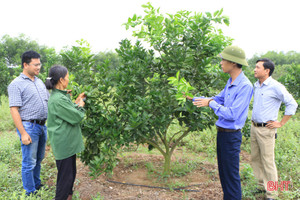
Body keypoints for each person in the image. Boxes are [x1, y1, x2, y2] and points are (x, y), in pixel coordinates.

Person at [190, 46, 253, 200]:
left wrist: (210, 103)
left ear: (233, 63)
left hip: (231, 136)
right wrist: (192, 97)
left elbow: (232, 114)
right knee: (224, 174)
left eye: (223, 59)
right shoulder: (231, 81)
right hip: (223, 135)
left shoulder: (245, 86)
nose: (221, 62)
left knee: (231, 176)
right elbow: (218, 99)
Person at [251, 58, 298, 200]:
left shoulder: (276, 86)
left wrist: (281, 123)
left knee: (268, 161)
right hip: (254, 127)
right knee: (255, 158)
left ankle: (272, 193)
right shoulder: (256, 85)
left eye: (258, 67)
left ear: (267, 71)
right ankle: (260, 186)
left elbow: (292, 104)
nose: (254, 69)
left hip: (267, 130)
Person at [7, 50, 48, 196]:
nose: (39, 67)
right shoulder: (16, 84)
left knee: (38, 159)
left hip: (42, 126)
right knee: (29, 161)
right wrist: (23, 133)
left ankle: (37, 184)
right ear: (25, 64)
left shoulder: (39, 81)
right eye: (35, 65)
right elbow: (14, 110)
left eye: (39, 64)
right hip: (29, 126)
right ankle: (30, 191)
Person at [45, 65, 86, 200]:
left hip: (67, 144)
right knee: (65, 179)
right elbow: (76, 117)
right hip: (64, 145)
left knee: (70, 176)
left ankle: (68, 197)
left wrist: (75, 101)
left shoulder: (60, 96)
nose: (68, 79)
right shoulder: (58, 99)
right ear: (61, 80)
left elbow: (68, 109)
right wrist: (80, 106)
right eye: (67, 77)